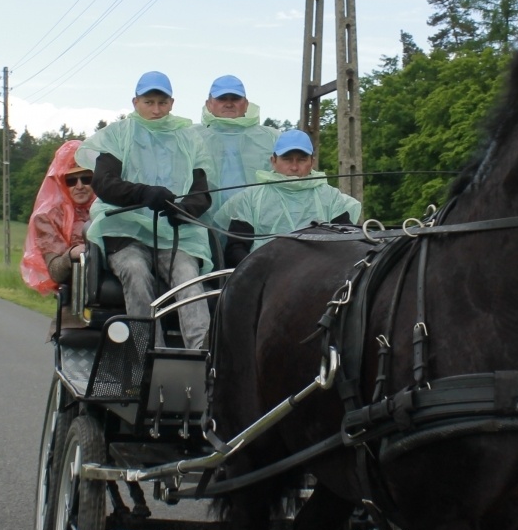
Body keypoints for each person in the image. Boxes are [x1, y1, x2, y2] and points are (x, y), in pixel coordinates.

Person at [75, 71, 213, 348]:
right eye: (149, 102)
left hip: (175, 234)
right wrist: (143, 193)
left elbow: (202, 192)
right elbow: (104, 183)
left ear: (172, 103)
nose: (156, 109)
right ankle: (147, 355)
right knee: (136, 271)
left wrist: (185, 209)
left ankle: (203, 359)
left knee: (189, 278)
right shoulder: (117, 135)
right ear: (135, 101)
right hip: (124, 231)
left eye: (162, 103)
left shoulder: (190, 139)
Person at [218, 128, 361, 269]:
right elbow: (235, 249)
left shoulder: (331, 197)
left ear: (312, 162)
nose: (294, 167)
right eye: (287, 159)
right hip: (264, 278)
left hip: (321, 277)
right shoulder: (250, 198)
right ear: (273, 161)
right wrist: (260, 270)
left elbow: (346, 242)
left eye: (302, 159)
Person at [193, 74, 277, 223]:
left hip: (258, 224)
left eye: (235, 98)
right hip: (202, 224)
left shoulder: (271, 137)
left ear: (246, 104)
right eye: (222, 98)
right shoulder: (190, 136)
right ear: (209, 104)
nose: (229, 104)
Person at [21, 140, 97, 297]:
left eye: (86, 178)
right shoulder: (48, 218)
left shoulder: (108, 209)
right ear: (62, 182)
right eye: (71, 180)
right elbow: (55, 271)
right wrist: (72, 254)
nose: (79, 185)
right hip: (75, 297)